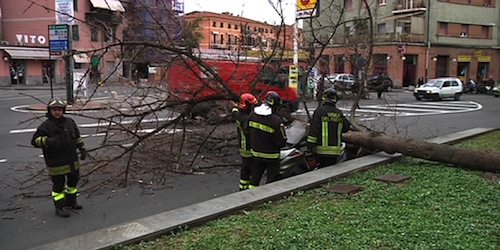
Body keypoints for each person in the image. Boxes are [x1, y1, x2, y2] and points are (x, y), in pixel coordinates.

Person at [31, 98, 87, 218]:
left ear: (63, 111)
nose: (57, 112)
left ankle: (71, 202)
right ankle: (60, 207)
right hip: (56, 162)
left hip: (72, 161)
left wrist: (82, 148)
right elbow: (34, 141)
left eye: (59, 110)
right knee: (58, 187)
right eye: (54, 110)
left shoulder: (70, 122)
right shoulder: (45, 126)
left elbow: (77, 137)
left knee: (73, 183)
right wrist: (48, 141)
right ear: (50, 111)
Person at [246, 91, 287, 188]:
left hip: (256, 155)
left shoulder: (252, 115)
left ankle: (250, 198)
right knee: (272, 181)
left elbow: (246, 131)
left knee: (254, 179)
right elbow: (281, 142)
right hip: (272, 157)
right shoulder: (276, 121)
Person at [307, 88, 351, 168]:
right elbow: (346, 127)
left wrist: (309, 146)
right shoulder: (339, 113)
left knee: (321, 170)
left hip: (321, 150)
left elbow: (313, 131)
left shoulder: (319, 112)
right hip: (335, 151)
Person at [232, 93, 258, 190]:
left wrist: (234, 107)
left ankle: (244, 186)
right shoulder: (246, 118)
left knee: (247, 167)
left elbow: (234, 111)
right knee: (248, 168)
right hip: (247, 146)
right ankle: (244, 189)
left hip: (244, 145)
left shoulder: (238, 113)